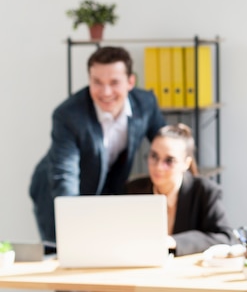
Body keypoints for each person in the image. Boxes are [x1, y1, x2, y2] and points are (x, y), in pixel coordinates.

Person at [29, 46, 166, 245]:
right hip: (54, 190)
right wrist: (73, 223)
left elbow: (167, 143)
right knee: (65, 251)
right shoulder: (68, 115)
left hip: (106, 186)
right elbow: (65, 175)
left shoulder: (146, 104)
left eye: (114, 82)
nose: (106, 92)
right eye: (97, 82)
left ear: (130, 82)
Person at [125, 123, 234, 256]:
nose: (159, 167)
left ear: (186, 164)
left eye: (169, 160)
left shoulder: (205, 191)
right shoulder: (132, 190)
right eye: (154, 156)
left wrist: (174, 242)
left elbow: (225, 238)